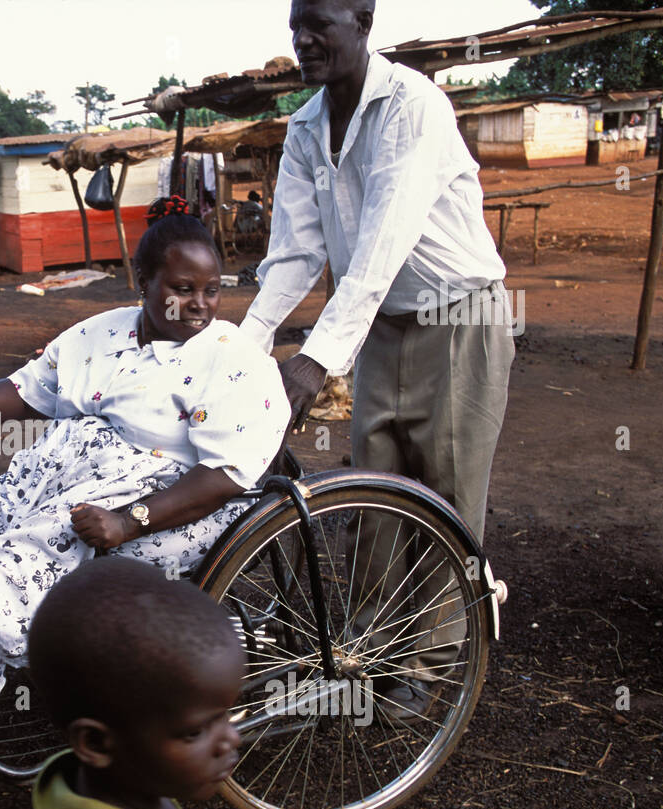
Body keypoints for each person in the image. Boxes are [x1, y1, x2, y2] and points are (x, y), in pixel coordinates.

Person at [0, 197, 290, 691]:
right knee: (0, 505)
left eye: (211, 290)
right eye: (182, 289)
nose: (198, 304)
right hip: (86, 476)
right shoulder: (103, 333)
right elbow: (29, 391)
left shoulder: (233, 359)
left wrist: (130, 521)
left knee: (58, 529)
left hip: (179, 502)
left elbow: (224, 477)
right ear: (144, 283)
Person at [237, 0, 515, 717]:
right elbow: (296, 253)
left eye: (319, 24)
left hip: (458, 318)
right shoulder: (304, 127)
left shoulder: (411, 107)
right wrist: (243, 348)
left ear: (363, 23)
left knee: (446, 495)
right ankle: (373, 645)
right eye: (295, 25)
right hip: (385, 325)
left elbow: (381, 246)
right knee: (378, 494)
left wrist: (315, 359)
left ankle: (430, 660)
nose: (303, 39)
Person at [22, 556, 244, 809]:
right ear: (96, 743)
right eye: (196, 731)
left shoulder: (65, 802)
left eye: (225, 714)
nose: (232, 738)